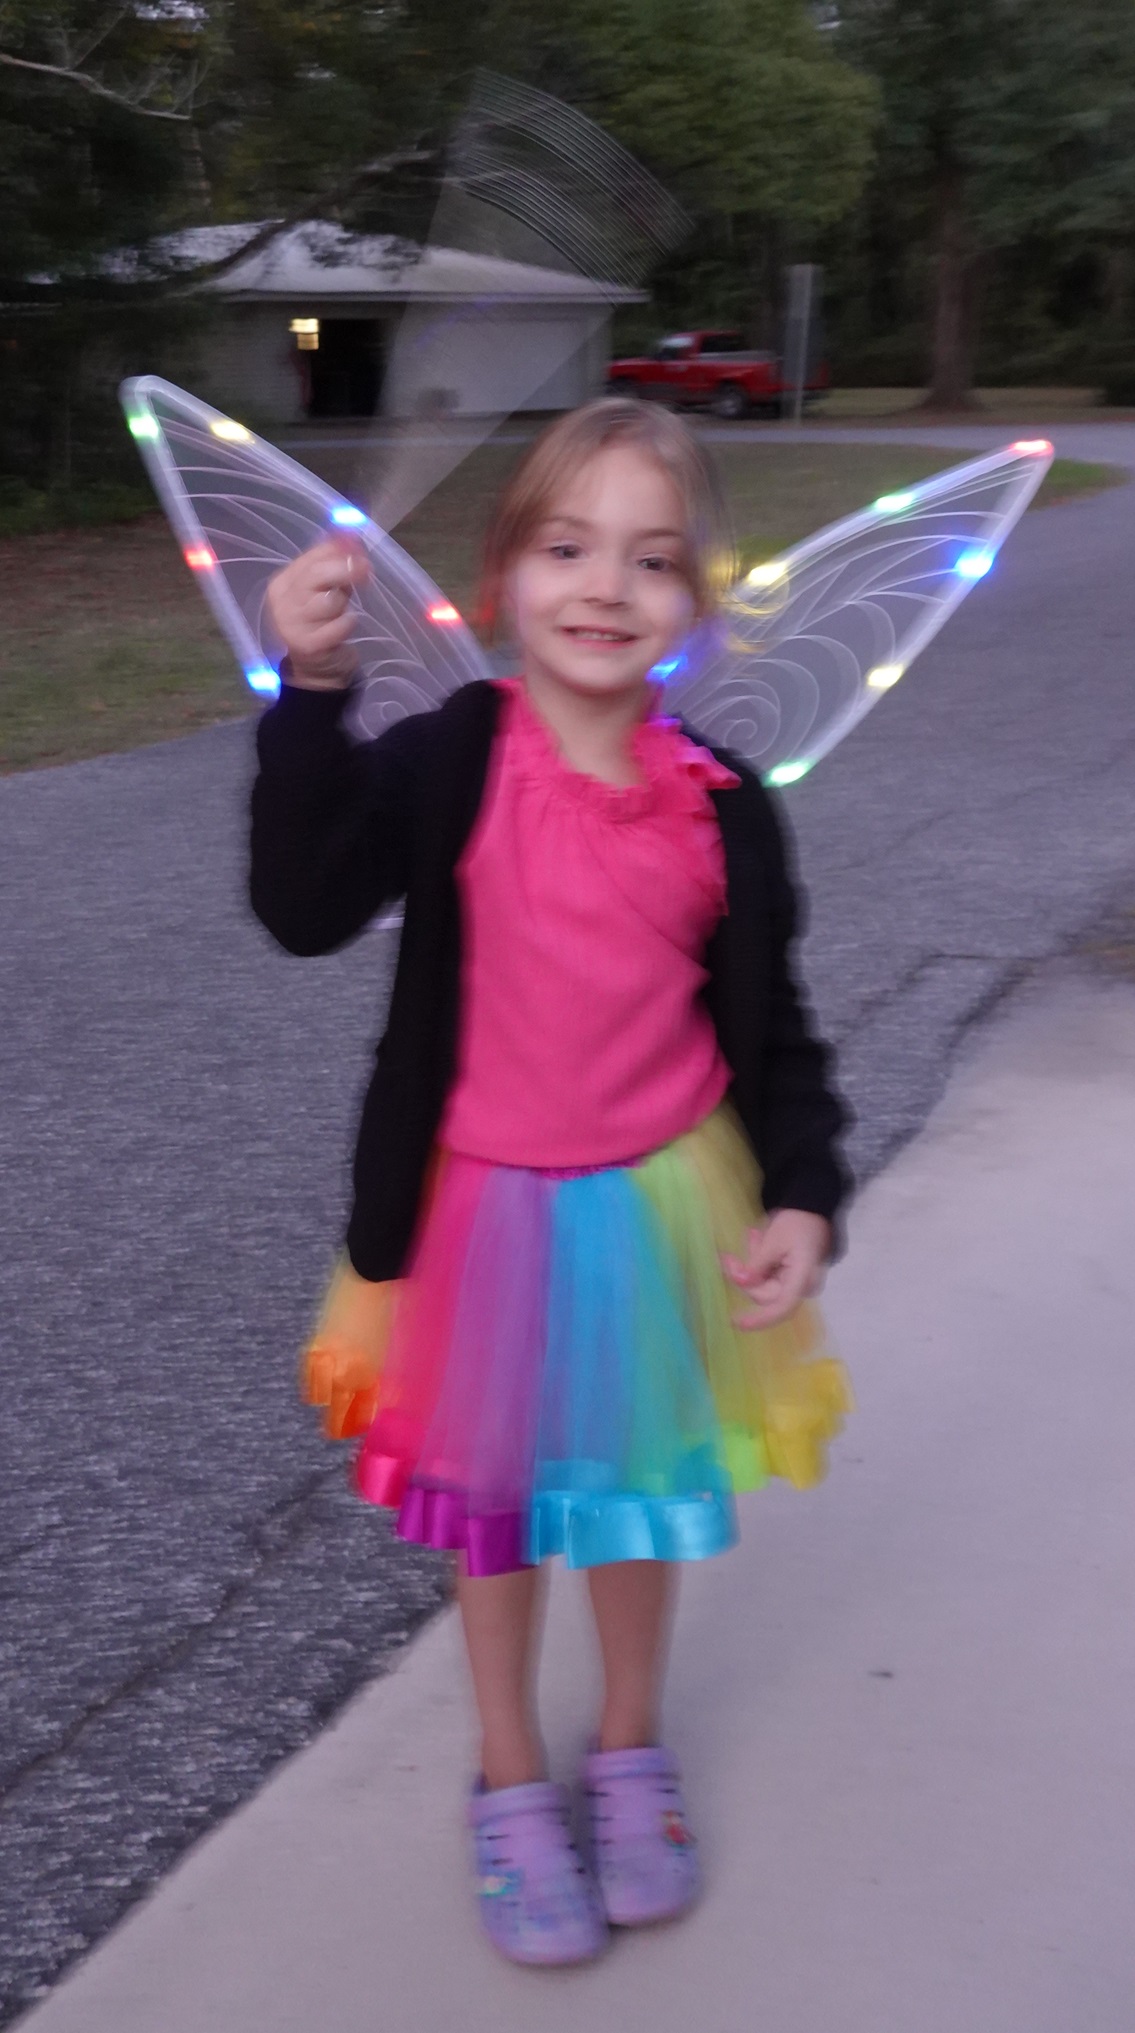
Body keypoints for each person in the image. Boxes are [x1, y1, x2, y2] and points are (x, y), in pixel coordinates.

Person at [250, 398, 852, 1967]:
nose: (606, 586)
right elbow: (304, 906)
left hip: (661, 1206)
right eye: (569, 546)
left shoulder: (724, 806)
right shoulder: (453, 758)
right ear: (505, 573)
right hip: (484, 1217)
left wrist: (803, 1190)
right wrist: (310, 695)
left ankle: (630, 1745)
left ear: (696, 600)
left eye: (652, 559)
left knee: (638, 1497)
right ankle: (510, 1772)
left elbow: (776, 1028)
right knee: (501, 1516)